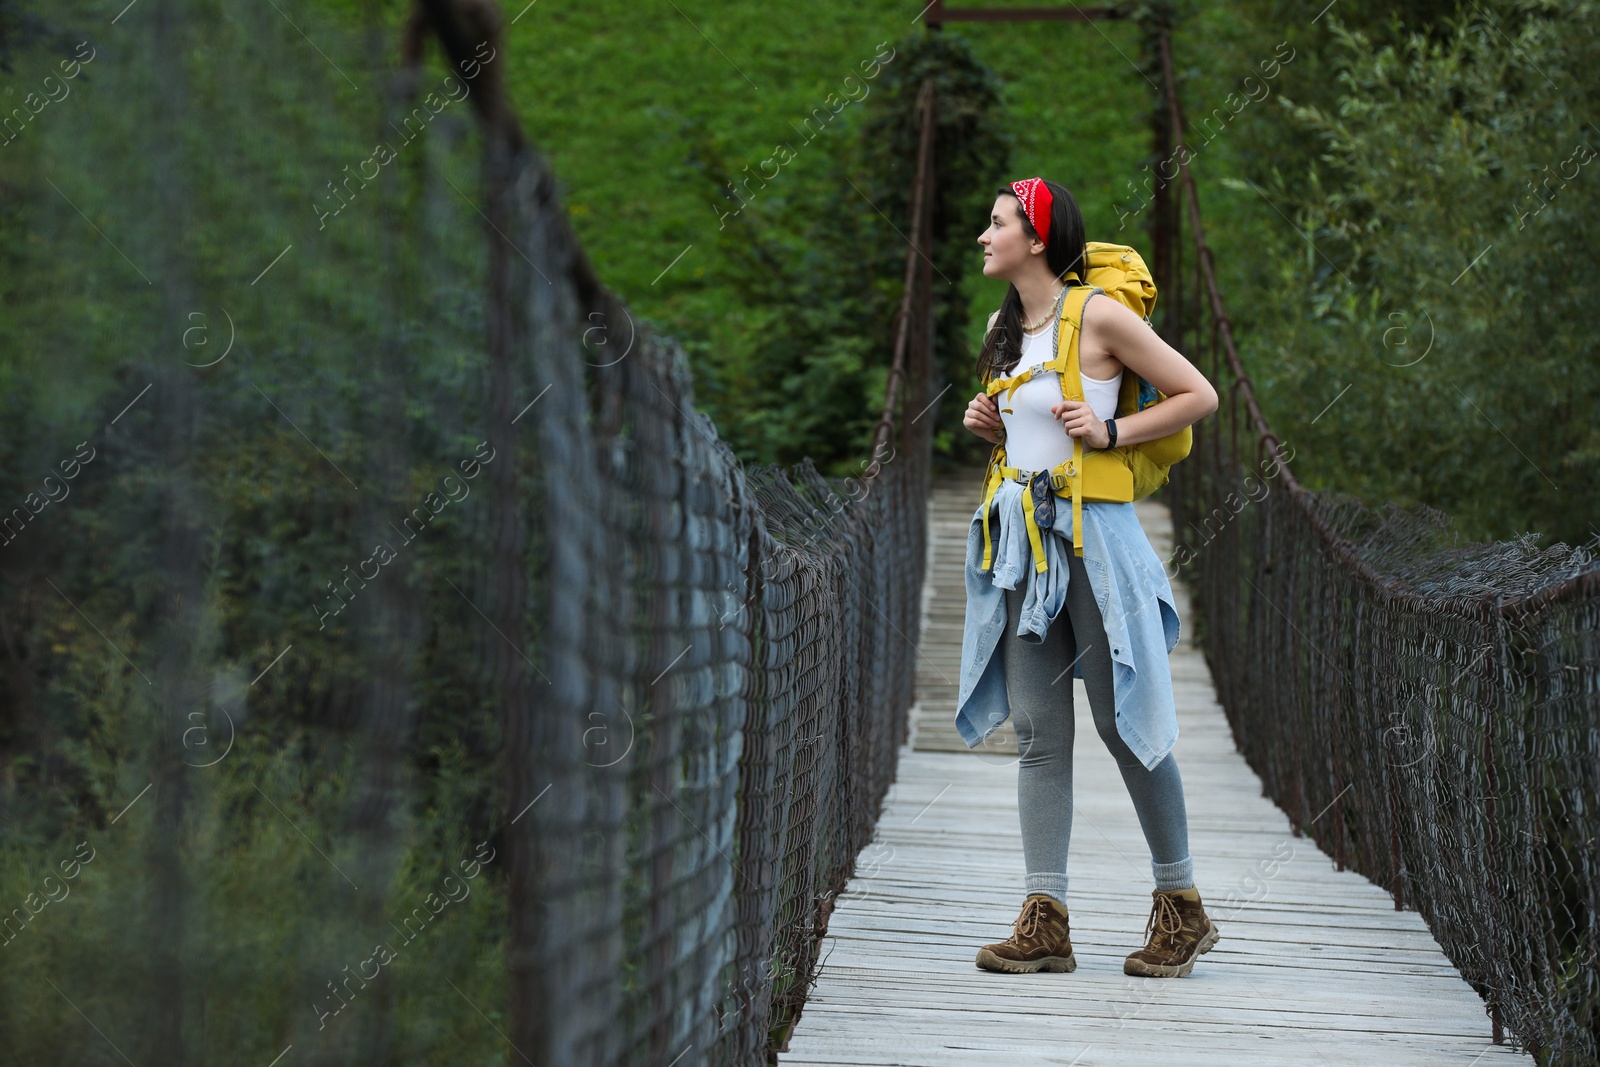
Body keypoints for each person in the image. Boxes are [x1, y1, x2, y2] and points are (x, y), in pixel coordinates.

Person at [958, 177, 1221, 978]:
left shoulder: (1098, 314)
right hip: (1024, 546)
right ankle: (1047, 918)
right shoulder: (1008, 327)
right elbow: (1032, 435)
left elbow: (1198, 394)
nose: (982, 235)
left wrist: (1111, 430)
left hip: (1092, 544)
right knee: (1039, 732)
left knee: (1122, 722)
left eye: (996, 221)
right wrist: (991, 427)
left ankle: (1182, 907)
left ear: (1036, 237)